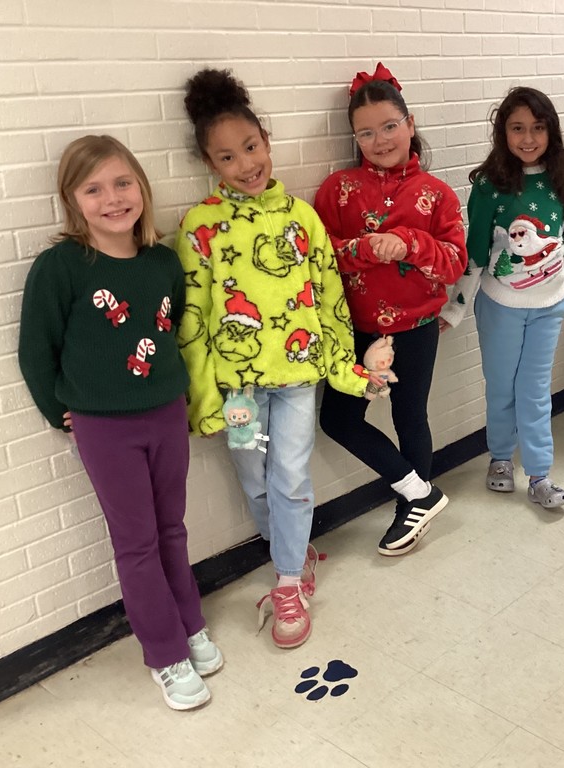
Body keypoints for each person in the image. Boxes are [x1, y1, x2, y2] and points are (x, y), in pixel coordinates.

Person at [18, 136, 222, 711]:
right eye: (94, 188)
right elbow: (37, 349)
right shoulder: (61, 266)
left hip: (165, 414)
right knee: (136, 542)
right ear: (72, 200)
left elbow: (170, 329)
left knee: (172, 529)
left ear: (142, 187)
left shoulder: (162, 260)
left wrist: (179, 399)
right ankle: (164, 653)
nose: (112, 198)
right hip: (103, 426)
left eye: (122, 182)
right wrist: (55, 410)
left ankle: (189, 624)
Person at [176, 69, 371, 650]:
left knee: (288, 478)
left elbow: (330, 299)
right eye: (228, 156)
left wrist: (347, 368)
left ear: (267, 138)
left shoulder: (301, 218)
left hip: (296, 377)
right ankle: (297, 550)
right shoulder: (199, 227)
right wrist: (205, 398)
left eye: (252, 147)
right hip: (237, 392)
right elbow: (193, 322)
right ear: (210, 163)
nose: (245, 164)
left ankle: (288, 581)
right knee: (256, 485)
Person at [314, 63, 467, 554]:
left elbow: (454, 264)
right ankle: (421, 491)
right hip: (353, 331)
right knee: (338, 419)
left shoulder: (437, 196)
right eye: (366, 132)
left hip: (416, 329)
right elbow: (318, 258)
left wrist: (408, 244)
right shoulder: (337, 190)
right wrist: (361, 249)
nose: (379, 140)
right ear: (354, 137)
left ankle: (412, 508)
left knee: (409, 416)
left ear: (410, 123)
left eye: (389, 126)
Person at [439, 86, 564, 507]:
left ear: (551, 131)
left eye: (538, 128)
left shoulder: (559, 175)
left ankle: (541, 475)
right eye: (518, 128)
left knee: (534, 390)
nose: (528, 138)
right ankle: (500, 459)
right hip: (500, 308)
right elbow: (475, 255)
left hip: (548, 308)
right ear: (502, 133)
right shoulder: (490, 186)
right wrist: (454, 309)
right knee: (501, 387)